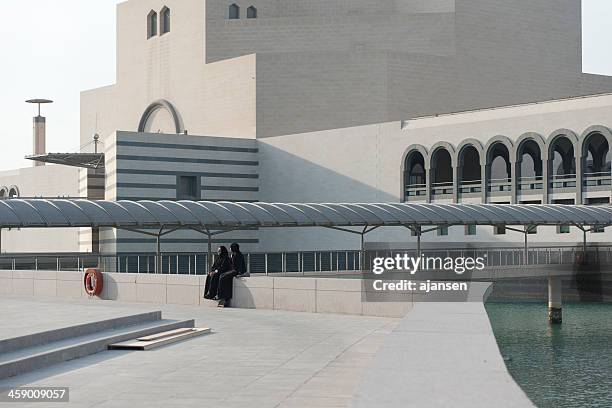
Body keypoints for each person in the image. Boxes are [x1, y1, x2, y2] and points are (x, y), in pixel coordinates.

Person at [216, 243, 247, 307]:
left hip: (237, 271)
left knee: (222, 277)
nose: (229, 249)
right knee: (222, 276)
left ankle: (220, 295)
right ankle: (223, 296)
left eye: (231, 247)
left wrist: (240, 273)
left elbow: (241, 266)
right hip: (232, 270)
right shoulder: (232, 255)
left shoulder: (239, 255)